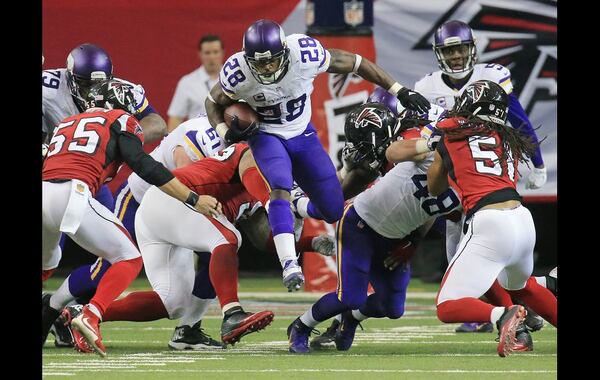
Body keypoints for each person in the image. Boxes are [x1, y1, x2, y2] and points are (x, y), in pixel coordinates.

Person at [206, 19, 431, 292]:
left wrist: (399, 90)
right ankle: (290, 263)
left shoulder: (303, 53)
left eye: (272, 61)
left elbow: (356, 62)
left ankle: (299, 204)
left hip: (303, 135)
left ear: (285, 52)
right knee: (279, 186)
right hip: (266, 135)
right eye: (259, 63)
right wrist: (222, 130)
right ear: (247, 58)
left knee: (332, 209)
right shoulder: (238, 70)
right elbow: (213, 101)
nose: (266, 68)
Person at [42, 80, 221, 357]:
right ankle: (91, 313)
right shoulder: (120, 119)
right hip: (72, 193)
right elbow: (144, 165)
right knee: (128, 257)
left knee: (48, 264)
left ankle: (50, 313)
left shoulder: (66, 123)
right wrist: (192, 198)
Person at [63, 143, 276, 351]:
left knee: (173, 302)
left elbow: (265, 238)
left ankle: (85, 314)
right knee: (228, 239)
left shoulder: (258, 182)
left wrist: (305, 243)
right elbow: (183, 154)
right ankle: (232, 314)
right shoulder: (243, 151)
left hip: (168, 214)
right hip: (172, 200)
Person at [287, 102, 461, 354]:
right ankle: (300, 326)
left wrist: (413, 241)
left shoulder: (467, 175)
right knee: (348, 297)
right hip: (361, 225)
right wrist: (430, 144)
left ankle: (351, 318)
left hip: (397, 235)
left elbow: (431, 206)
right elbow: (394, 152)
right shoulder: (417, 143)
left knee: (391, 308)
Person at [414, 20, 548, 333]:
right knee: (467, 256)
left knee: (476, 256)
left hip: (479, 189)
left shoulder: (492, 77)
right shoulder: (427, 88)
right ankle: (515, 307)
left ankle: (503, 313)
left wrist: (538, 163)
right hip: (471, 189)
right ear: (438, 54)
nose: (457, 56)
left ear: (472, 48)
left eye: (461, 48)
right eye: (450, 50)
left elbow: (519, 119)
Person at [426, 80, 557, 357]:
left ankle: (502, 314)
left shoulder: (452, 133)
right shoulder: (508, 136)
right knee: (522, 286)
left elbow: (434, 187)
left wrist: (438, 146)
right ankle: (517, 308)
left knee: (447, 305)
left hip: (490, 223)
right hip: (522, 220)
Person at [167, 35, 225, 132]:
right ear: (200, 54)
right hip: (197, 141)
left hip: (230, 140)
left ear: (222, 53)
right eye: (207, 53)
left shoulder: (234, 79)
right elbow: (175, 118)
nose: (212, 57)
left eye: (215, 52)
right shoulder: (187, 82)